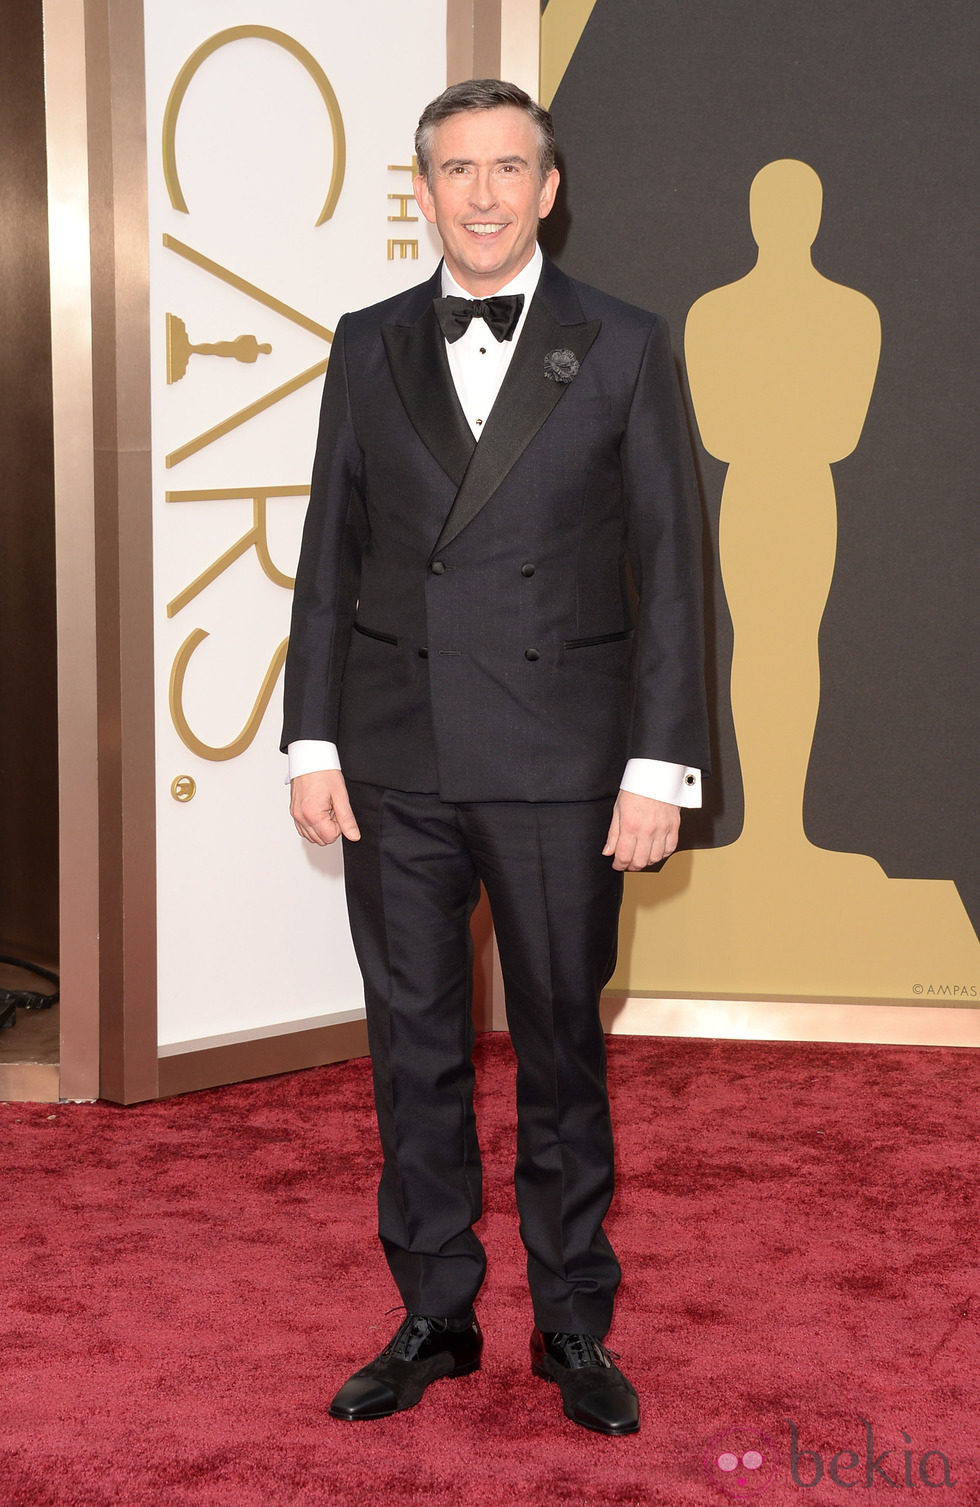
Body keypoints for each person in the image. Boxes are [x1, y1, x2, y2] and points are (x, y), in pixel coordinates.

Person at [282, 79, 709, 1437]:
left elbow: (673, 573)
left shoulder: (627, 344)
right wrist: (311, 733)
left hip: (562, 759)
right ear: (421, 193)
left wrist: (661, 768)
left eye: (507, 167)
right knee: (411, 1048)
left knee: (562, 1050)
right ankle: (436, 1313)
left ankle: (573, 1323)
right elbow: (330, 555)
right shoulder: (365, 343)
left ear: (548, 188)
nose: (480, 193)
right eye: (455, 169)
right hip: (395, 755)